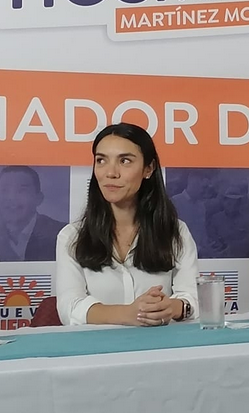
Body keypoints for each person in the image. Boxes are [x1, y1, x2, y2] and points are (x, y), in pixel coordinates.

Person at [54, 123, 199, 326]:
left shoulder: (176, 232)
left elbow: (193, 299)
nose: (111, 173)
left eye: (124, 161)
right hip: (96, 345)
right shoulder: (72, 237)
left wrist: (173, 307)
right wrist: (129, 314)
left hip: (162, 343)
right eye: (101, 160)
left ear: (148, 168)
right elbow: (69, 308)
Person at [0, 165, 65, 262]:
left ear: (38, 198)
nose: (12, 198)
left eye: (21, 191)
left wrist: (5, 252)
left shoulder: (61, 234)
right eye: (4, 190)